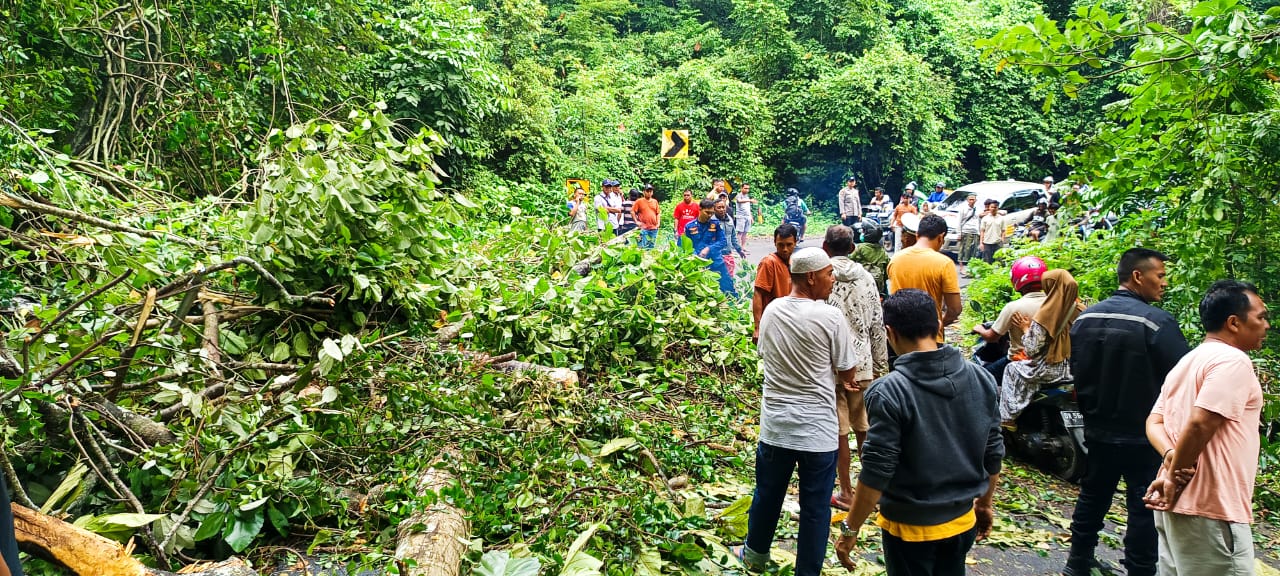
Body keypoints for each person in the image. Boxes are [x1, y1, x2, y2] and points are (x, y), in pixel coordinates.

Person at [835, 288, 1003, 576]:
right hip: (962, 521)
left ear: (890, 333)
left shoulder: (889, 392)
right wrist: (985, 503)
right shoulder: (981, 378)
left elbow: (876, 472)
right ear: (938, 325)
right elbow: (993, 451)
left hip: (910, 530)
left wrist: (850, 530)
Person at [1064, 248, 1191, 576]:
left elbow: (1077, 370)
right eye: (1160, 276)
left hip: (1097, 429)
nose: (1164, 283)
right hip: (1142, 435)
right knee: (1143, 505)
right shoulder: (1157, 323)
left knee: (1093, 496)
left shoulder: (1085, 319)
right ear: (1138, 276)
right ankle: (1139, 569)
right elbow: (1183, 379)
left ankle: (1077, 563)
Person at [737, 247, 858, 576]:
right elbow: (848, 371)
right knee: (816, 509)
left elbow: (765, 352)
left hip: (776, 427)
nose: (833, 280)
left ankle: (755, 558)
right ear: (811, 277)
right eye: (829, 274)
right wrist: (835, 376)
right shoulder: (830, 317)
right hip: (817, 433)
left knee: (767, 494)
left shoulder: (773, 311)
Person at [1144, 280, 1268, 576]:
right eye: (1261, 317)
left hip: (1177, 505)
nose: (1267, 325)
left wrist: (1171, 457)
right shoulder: (1233, 361)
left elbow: (1154, 422)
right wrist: (1175, 475)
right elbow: (1200, 424)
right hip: (1211, 505)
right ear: (1234, 322)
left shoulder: (1189, 360)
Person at [822, 225, 888, 511]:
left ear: (825, 246)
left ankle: (846, 491)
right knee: (864, 429)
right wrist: (880, 367)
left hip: (832, 367)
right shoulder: (867, 278)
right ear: (852, 248)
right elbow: (877, 323)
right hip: (863, 365)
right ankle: (873, 492)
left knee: (839, 432)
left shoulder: (820, 276)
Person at [998, 269, 1083, 422]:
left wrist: (1025, 328)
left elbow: (1032, 348)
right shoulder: (1080, 309)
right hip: (1075, 369)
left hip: (1050, 370)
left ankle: (1008, 417)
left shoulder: (1047, 313)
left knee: (1011, 369)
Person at [973, 256, 1048, 385]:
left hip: (1020, 361)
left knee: (980, 378)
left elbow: (992, 338)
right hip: (1052, 362)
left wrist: (979, 329)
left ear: (1016, 280)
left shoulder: (1014, 307)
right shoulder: (1057, 303)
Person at [887, 214, 961, 343]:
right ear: (941, 237)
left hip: (899, 336)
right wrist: (939, 324)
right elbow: (955, 309)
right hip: (929, 338)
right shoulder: (944, 263)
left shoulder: (895, 259)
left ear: (917, 235)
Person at [752, 224, 798, 344]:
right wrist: (757, 328)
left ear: (796, 242)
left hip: (789, 322)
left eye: (789, 245)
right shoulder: (769, 262)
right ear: (774, 242)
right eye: (780, 245)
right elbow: (758, 294)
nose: (785, 249)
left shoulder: (794, 263)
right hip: (773, 323)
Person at [684, 198, 737, 297]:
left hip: (716, 262)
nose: (709, 216)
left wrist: (708, 248)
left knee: (728, 288)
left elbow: (723, 241)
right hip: (698, 264)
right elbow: (684, 247)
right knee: (701, 292)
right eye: (707, 212)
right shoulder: (689, 226)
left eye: (711, 213)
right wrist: (695, 255)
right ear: (700, 209)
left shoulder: (715, 224)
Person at [851, 222, 889, 296]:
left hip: (862, 287)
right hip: (878, 288)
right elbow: (887, 274)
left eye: (864, 231)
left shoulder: (859, 248)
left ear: (867, 234)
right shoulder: (883, 252)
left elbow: (849, 262)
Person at [714, 199, 748, 278]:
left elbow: (733, 237)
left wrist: (739, 250)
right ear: (714, 209)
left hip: (728, 254)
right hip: (716, 256)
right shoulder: (711, 221)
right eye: (719, 207)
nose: (722, 209)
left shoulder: (729, 219)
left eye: (723, 207)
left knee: (729, 279)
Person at [633, 184, 661, 249]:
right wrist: (636, 221)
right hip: (643, 228)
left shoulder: (655, 201)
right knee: (642, 246)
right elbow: (632, 211)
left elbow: (658, 213)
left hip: (653, 228)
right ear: (644, 192)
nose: (649, 193)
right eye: (647, 191)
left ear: (652, 192)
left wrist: (658, 223)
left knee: (651, 246)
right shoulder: (639, 201)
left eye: (650, 191)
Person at [957, 194, 981, 265]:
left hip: (975, 232)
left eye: (973, 199)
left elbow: (979, 221)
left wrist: (979, 232)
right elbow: (959, 221)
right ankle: (961, 268)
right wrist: (959, 233)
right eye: (970, 199)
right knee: (963, 249)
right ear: (967, 200)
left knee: (973, 250)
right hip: (965, 231)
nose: (972, 201)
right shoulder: (963, 209)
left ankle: (970, 267)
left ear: (976, 200)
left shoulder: (978, 209)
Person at [735, 183, 758, 248]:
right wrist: (750, 200)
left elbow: (748, 208)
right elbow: (739, 201)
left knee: (745, 232)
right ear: (741, 188)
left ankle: (743, 247)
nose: (747, 190)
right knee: (740, 233)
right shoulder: (739, 195)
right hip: (741, 216)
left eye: (748, 188)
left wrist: (751, 217)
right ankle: (738, 248)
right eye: (745, 188)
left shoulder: (747, 196)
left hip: (747, 216)